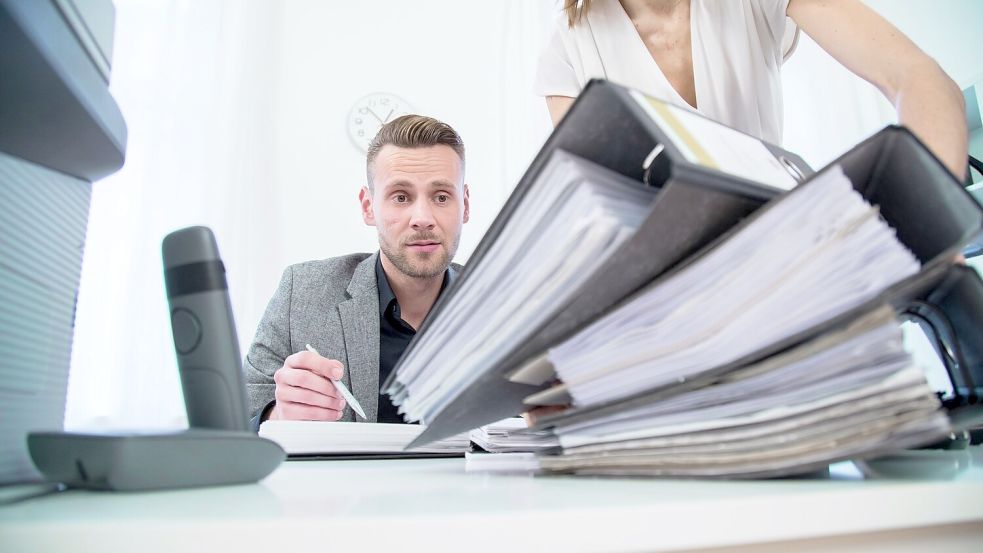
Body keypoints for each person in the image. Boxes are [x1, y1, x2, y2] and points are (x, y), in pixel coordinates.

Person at [536, 0, 967, 180]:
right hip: (674, 297)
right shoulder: (569, 49)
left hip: (788, 251)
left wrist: (935, 225)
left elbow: (914, 74)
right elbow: (596, 203)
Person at [243, 115, 470, 429]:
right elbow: (233, 424)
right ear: (368, 206)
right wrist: (277, 415)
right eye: (401, 197)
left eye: (441, 197)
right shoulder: (301, 293)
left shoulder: (510, 302)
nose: (422, 218)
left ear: (465, 205)